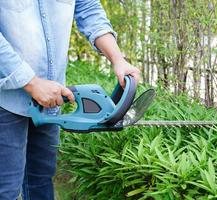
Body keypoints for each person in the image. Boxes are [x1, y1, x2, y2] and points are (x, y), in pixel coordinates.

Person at [0, 0, 140, 199]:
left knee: (40, 181)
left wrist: (118, 59)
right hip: (5, 99)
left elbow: (87, 8)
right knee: (6, 190)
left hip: (50, 98)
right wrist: (31, 83)